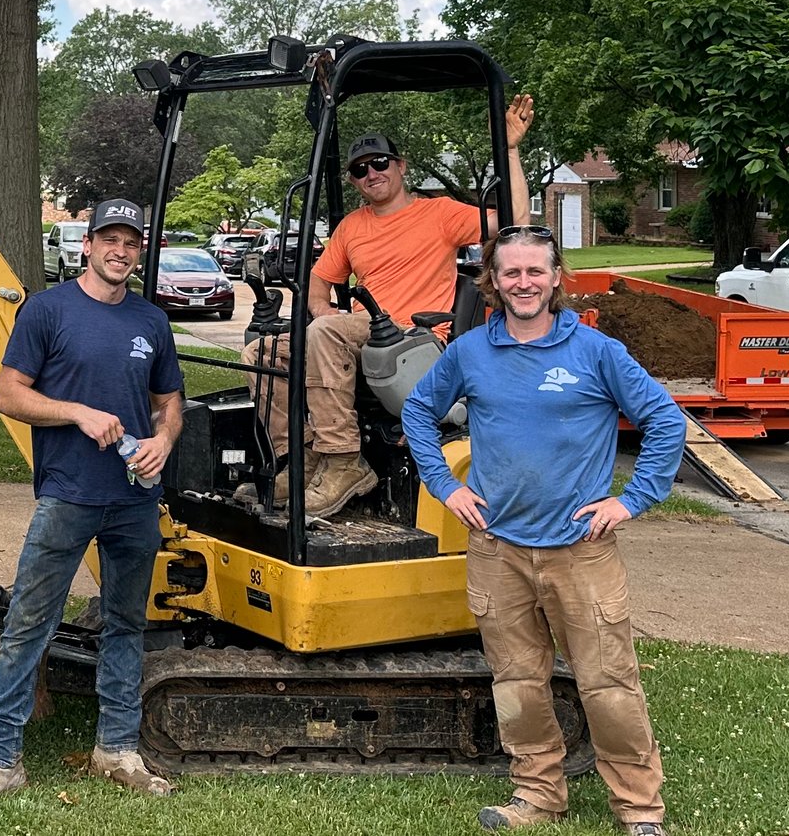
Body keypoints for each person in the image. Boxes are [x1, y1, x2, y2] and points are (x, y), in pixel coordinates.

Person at [400, 226, 686, 835]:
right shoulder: (469, 352)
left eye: (535, 271)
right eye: (511, 272)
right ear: (493, 281)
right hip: (496, 549)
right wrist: (447, 486)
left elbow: (666, 420)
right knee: (518, 683)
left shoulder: (597, 352)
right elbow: (418, 410)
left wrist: (631, 501)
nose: (523, 282)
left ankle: (640, 810)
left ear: (556, 278)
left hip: (581, 550)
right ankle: (536, 795)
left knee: (608, 685)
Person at [0, 198, 185, 805]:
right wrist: (77, 412)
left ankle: (117, 749)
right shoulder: (47, 311)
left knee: (126, 624)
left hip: (134, 498)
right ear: (88, 245)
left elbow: (169, 402)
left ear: (139, 251)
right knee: (30, 624)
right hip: (68, 495)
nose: (120, 251)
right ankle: (0, 761)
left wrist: (162, 440)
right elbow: (8, 394)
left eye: (131, 242)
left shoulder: (151, 321)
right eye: (110, 240)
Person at [240, 94, 536, 517]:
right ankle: (303, 457)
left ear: (401, 166)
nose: (371, 173)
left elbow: (515, 221)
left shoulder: (439, 213)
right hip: (364, 335)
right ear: (353, 181)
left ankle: (344, 461)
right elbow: (319, 279)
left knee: (324, 334)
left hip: (414, 339)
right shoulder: (352, 227)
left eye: (380, 163)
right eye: (360, 170)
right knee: (262, 353)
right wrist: (322, 309)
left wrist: (509, 150)